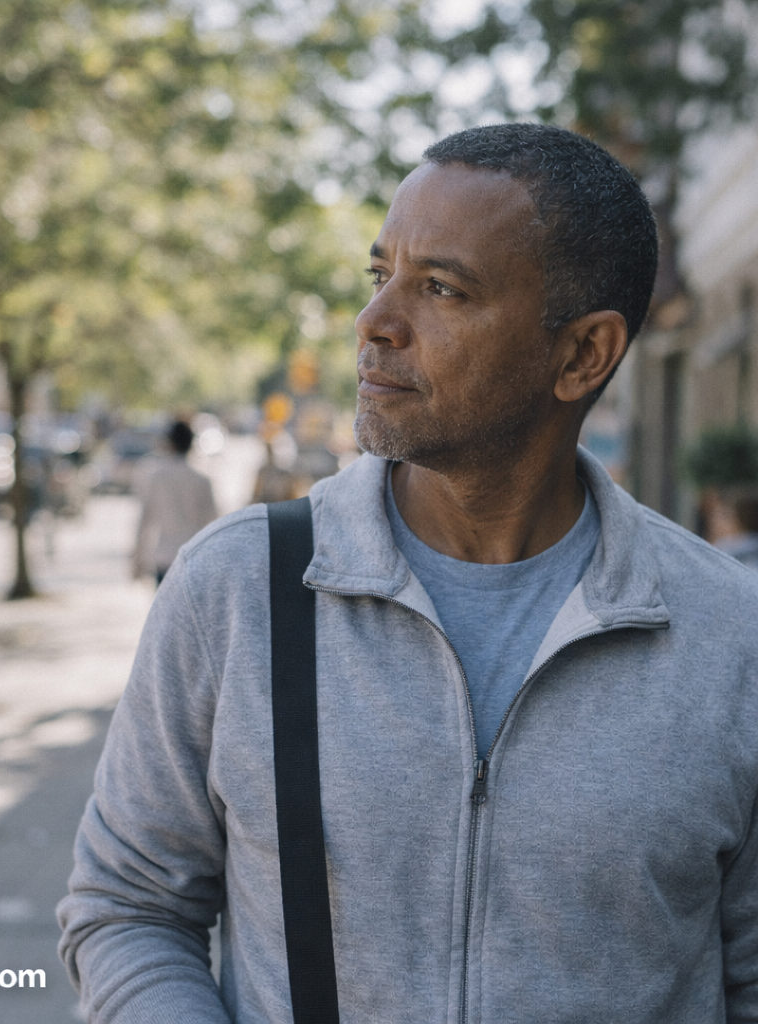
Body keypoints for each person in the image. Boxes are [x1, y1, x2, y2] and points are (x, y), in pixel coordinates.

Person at [58, 124, 758, 1023]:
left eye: (440, 288)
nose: (375, 323)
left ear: (583, 354)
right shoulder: (238, 591)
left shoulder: (729, 636)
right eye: (379, 274)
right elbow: (127, 907)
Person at [131, 419, 217, 585]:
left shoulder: (157, 478)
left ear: (170, 444)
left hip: (165, 557)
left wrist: (138, 556)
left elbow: (146, 519)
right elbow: (212, 522)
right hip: (194, 558)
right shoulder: (201, 480)